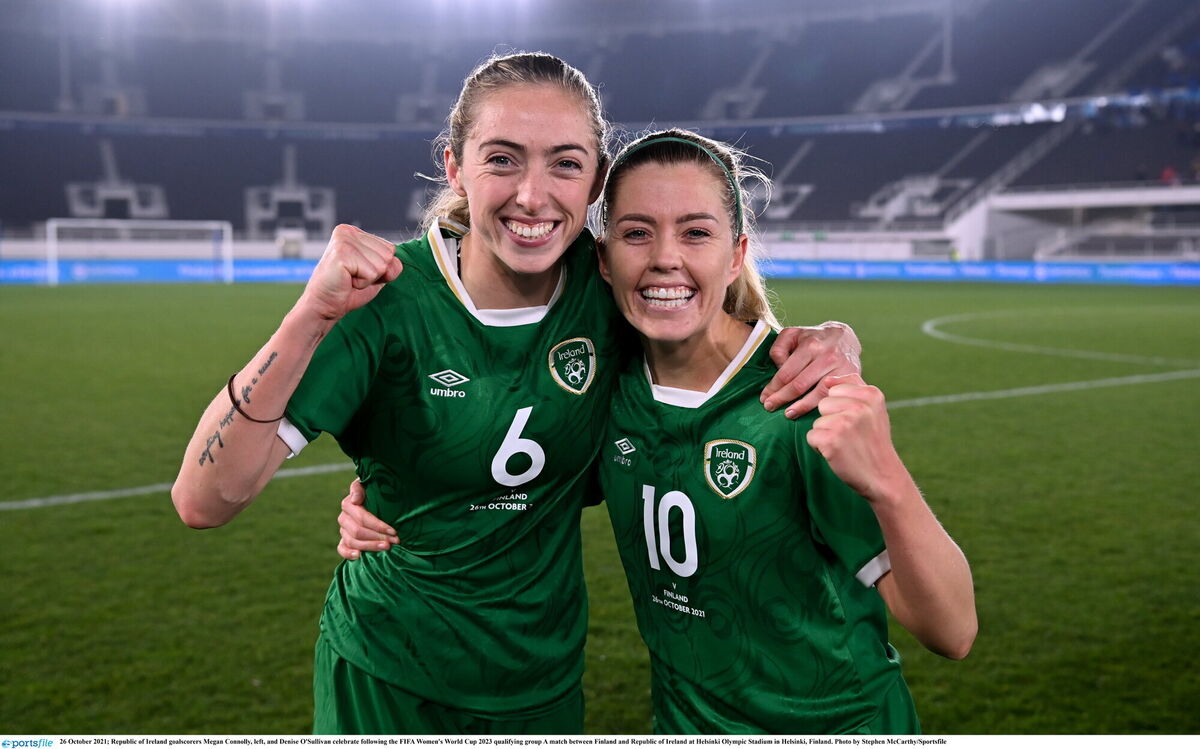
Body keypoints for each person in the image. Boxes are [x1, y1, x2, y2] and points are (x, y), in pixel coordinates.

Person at [172, 53, 862, 735]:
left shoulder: (611, 289)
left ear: (596, 179)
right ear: (455, 167)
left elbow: (714, 343)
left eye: (564, 163)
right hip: (388, 675)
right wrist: (308, 317)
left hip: (540, 683)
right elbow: (203, 500)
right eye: (502, 159)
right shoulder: (384, 300)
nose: (532, 195)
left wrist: (835, 340)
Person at [340, 129, 977, 734]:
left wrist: (887, 481)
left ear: (736, 255)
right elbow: (514, 480)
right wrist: (388, 500)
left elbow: (952, 631)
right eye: (637, 233)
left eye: (696, 233)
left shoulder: (800, 399)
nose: (665, 258)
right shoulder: (607, 391)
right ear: (604, 259)